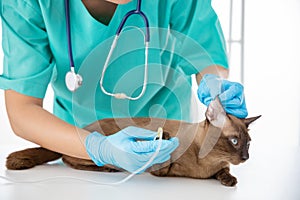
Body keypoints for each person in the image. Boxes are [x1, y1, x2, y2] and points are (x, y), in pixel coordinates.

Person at [0, 0, 247, 173]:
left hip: (171, 149)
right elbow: (22, 110)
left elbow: (204, 51)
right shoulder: (25, 2)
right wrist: (100, 148)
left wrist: (214, 85)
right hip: (76, 149)